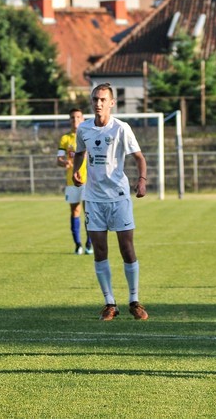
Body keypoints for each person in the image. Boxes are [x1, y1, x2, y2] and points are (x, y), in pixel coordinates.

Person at [72, 84, 149, 321]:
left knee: (127, 249)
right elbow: (79, 153)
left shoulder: (121, 129)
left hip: (119, 198)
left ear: (112, 103)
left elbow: (139, 157)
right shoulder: (84, 128)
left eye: (103, 100)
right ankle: (109, 303)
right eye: (95, 99)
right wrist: (77, 171)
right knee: (100, 252)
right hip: (94, 200)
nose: (98, 103)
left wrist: (142, 181)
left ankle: (134, 301)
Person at [57, 108, 93, 255]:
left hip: (88, 181)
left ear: (83, 119)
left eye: (78, 117)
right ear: (70, 120)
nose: (75, 120)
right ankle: (77, 244)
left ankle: (89, 244)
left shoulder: (89, 135)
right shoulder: (65, 139)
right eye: (72, 117)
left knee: (89, 212)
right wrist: (64, 162)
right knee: (75, 211)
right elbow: (58, 159)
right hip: (72, 181)